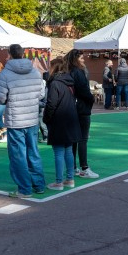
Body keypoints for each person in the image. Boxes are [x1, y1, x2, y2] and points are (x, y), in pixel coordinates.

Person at [0, 44, 46, 198]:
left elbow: (0, 98)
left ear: (9, 54)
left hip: (16, 119)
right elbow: (41, 94)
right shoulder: (35, 72)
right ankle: (39, 185)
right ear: (23, 54)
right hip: (31, 117)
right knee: (33, 152)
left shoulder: (5, 74)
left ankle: (24, 188)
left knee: (18, 155)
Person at [43, 58, 81, 191]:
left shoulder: (55, 83)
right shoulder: (70, 82)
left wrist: (46, 118)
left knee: (58, 152)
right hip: (71, 118)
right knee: (68, 150)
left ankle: (59, 182)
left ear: (54, 68)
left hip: (59, 119)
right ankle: (69, 179)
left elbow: (51, 104)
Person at [65, 49, 98, 179]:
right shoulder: (78, 72)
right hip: (81, 108)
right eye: (82, 58)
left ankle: (73, 168)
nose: (84, 61)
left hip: (71, 108)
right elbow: (84, 91)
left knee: (74, 139)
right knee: (82, 139)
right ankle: (84, 167)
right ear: (76, 59)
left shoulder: (68, 71)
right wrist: (91, 99)